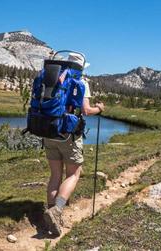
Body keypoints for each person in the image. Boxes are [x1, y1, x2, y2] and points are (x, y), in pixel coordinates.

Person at [43, 52, 105, 236]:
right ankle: (57, 210)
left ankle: (51, 215)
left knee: (55, 175)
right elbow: (85, 110)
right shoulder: (81, 81)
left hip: (49, 131)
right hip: (68, 135)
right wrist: (100, 108)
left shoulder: (51, 77)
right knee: (73, 174)